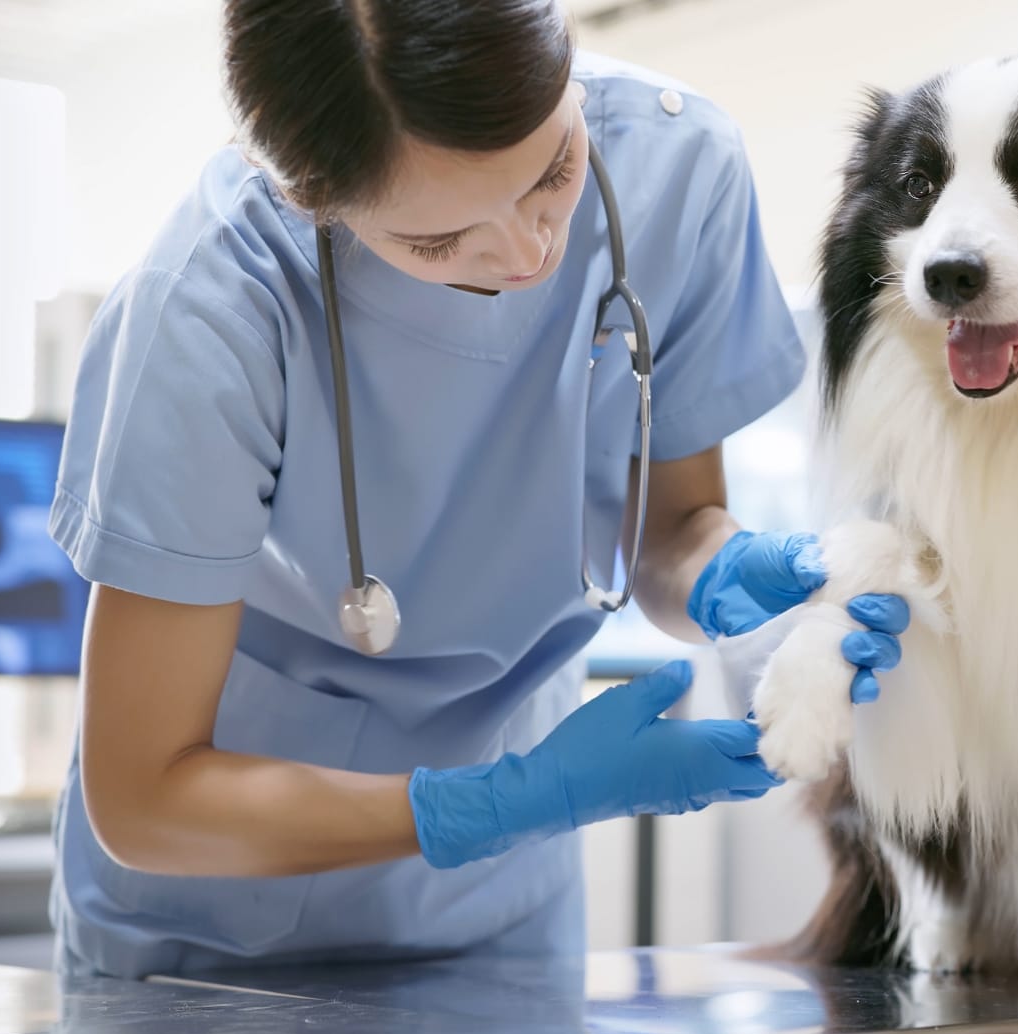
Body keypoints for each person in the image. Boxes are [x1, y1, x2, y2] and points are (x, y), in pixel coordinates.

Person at [46, 0, 907, 979]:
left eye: (553, 174)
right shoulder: (206, 313)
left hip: (501, 911)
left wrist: (724, 576)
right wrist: (501, 800)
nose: (531, 250)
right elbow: (145, 795)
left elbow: (670, 532)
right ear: (311, 199)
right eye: (439, 241)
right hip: (212, 932)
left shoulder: (678, 170)